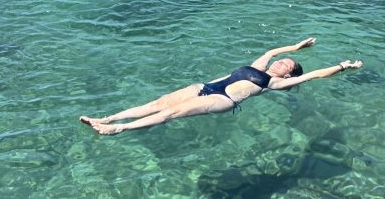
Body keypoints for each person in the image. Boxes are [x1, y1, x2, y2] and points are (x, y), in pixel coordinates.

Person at [79, 37, 362, 135]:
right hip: (205, 86)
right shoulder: (260, 66)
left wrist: (341, 67)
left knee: (170, 114)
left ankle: (118, 129)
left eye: (287, 65)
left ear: (288, 76)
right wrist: (296, 47)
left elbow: (314, 75)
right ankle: (107, 118)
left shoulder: (274, 82)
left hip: (225, 99)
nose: (280, 64)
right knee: (158, 103)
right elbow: (272, 51)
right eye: (283, 62)